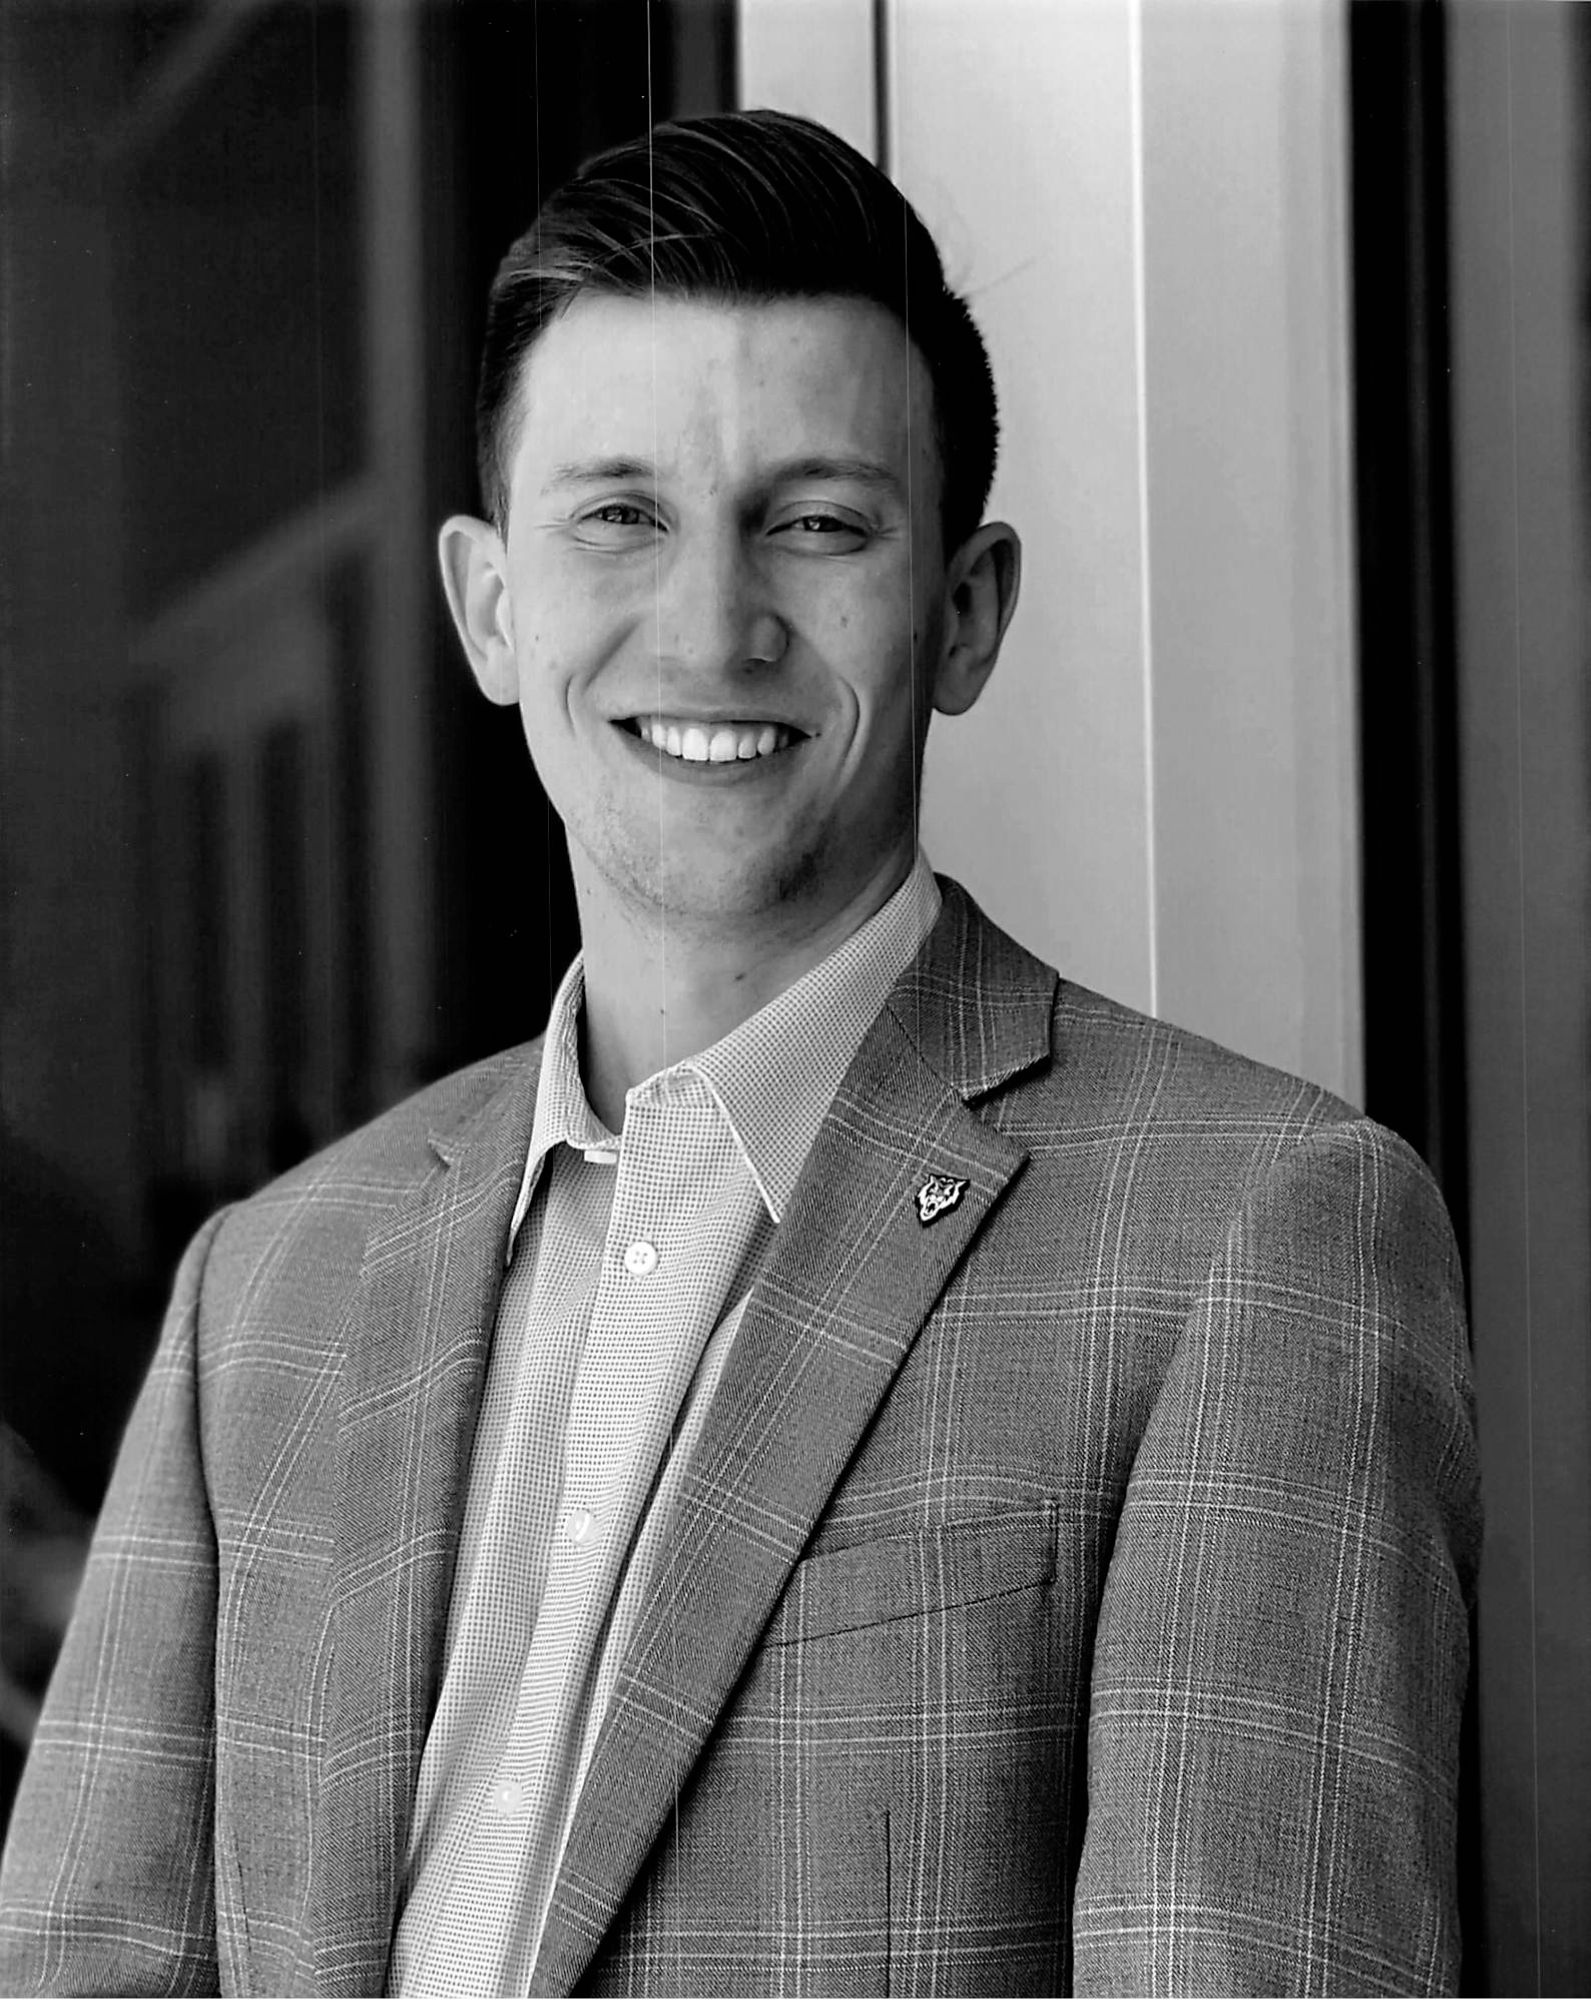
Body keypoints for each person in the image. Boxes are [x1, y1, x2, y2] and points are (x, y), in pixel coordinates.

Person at [0, 109, 1478, 1997]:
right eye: (621, 516)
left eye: (818, 522)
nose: (711, 624)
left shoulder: (1256, 1240)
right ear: (491, 606)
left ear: (964, 613)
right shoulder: (265, 1291)